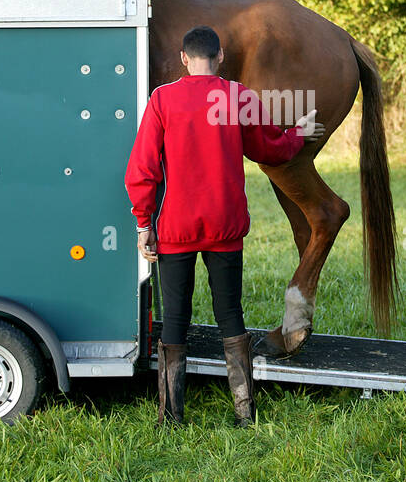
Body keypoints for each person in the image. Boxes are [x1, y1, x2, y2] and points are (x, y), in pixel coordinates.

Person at [124, 25, 323, 427]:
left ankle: (170, 416)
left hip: (176, 228)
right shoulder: (237, 97)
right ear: (220, 57)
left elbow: (141, 170)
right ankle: (245, 412)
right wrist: (297, 134)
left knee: (176, 319)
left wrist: (144, 223)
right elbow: (268, 148)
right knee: (230, 313)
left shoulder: (162, 100)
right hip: (225, 225)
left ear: (183, 58)